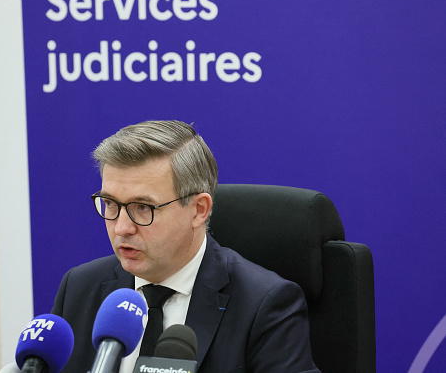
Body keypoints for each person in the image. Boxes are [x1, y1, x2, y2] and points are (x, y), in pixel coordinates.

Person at [50, 120, 320, 372]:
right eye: (110, 203)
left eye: (143, 207)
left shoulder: (264, 305)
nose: (121, 228)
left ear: (198, 210)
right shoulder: (80, 288)